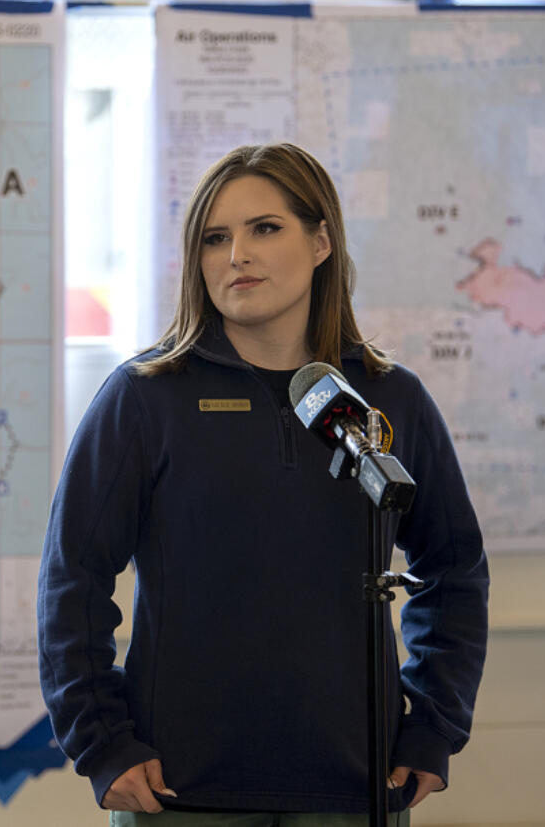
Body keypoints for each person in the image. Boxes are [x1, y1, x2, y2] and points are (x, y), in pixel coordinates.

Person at [38, 142, 489, 825]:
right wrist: (101, 742)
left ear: (321, 242)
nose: (236, 254)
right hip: (179, 792)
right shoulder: (144, 397)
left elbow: (454, 572)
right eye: (214, 238)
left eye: (265, 228)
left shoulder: (389, 398)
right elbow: (72, 578)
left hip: (354, 788)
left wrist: (433, 727)